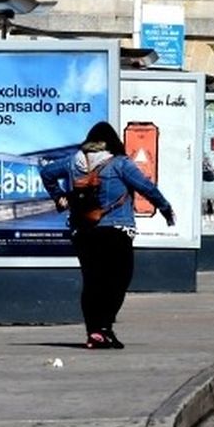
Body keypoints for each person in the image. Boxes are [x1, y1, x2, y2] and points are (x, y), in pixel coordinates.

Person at [41, 120, 175, 350]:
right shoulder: (120, 164)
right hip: (115, 230)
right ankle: (104, 327)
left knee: (92, 281)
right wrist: (164, 208)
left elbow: (46, 172)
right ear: (113, 141)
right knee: (119, 279)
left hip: (83, 230)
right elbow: (146, 187)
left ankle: (94, 332)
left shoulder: (74, 162)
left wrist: (59, 196)